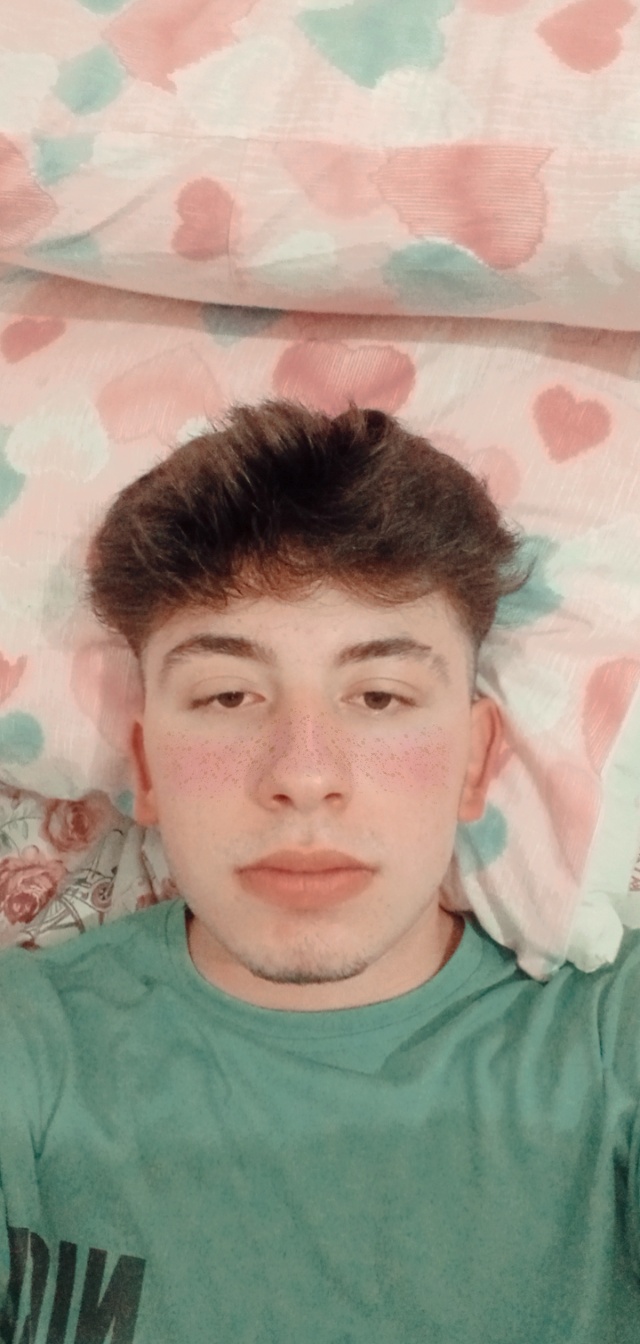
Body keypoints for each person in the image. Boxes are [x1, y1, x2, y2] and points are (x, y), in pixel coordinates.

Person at [1, 399, 639, 1343]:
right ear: (146, 769)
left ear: (475, 761)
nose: (303, 775)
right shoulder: (24, 1045)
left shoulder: (612, 1038)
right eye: (228, 695)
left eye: (379, 696)